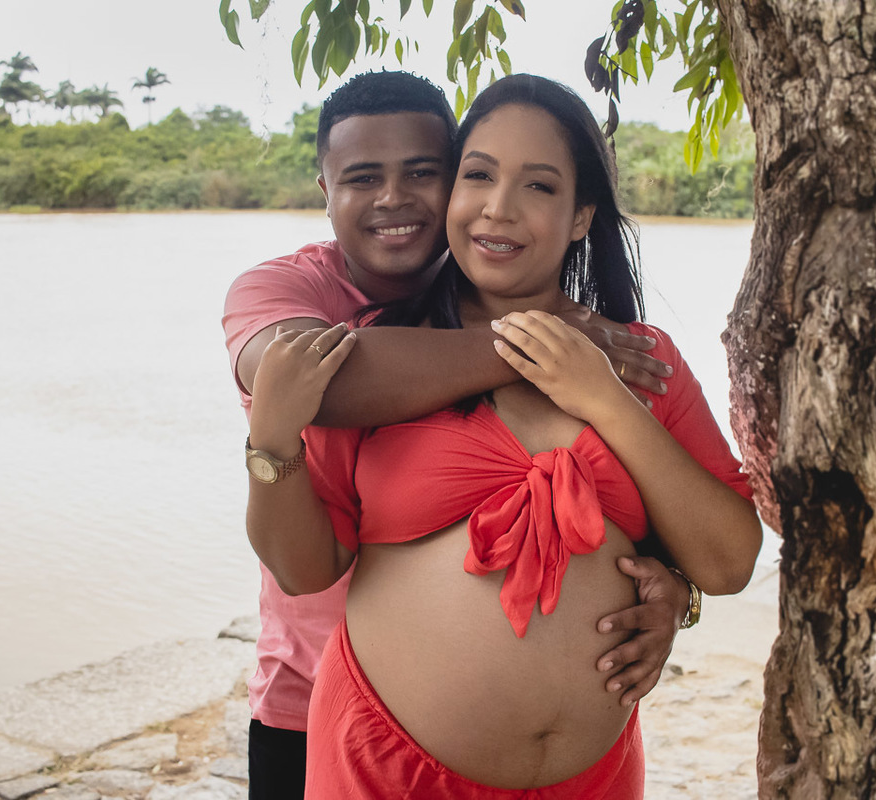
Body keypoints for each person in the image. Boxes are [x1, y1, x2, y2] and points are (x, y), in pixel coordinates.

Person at [247, 74, 763, 798]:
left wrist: (604, 400)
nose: (498, 208)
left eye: (539, 187)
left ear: (582, 213)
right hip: (385, 771)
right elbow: (306, 570)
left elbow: (729, 563)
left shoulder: (642, 359)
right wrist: (270, 447)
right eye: (478, 176)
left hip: (594, 778)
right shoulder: (381, 361)